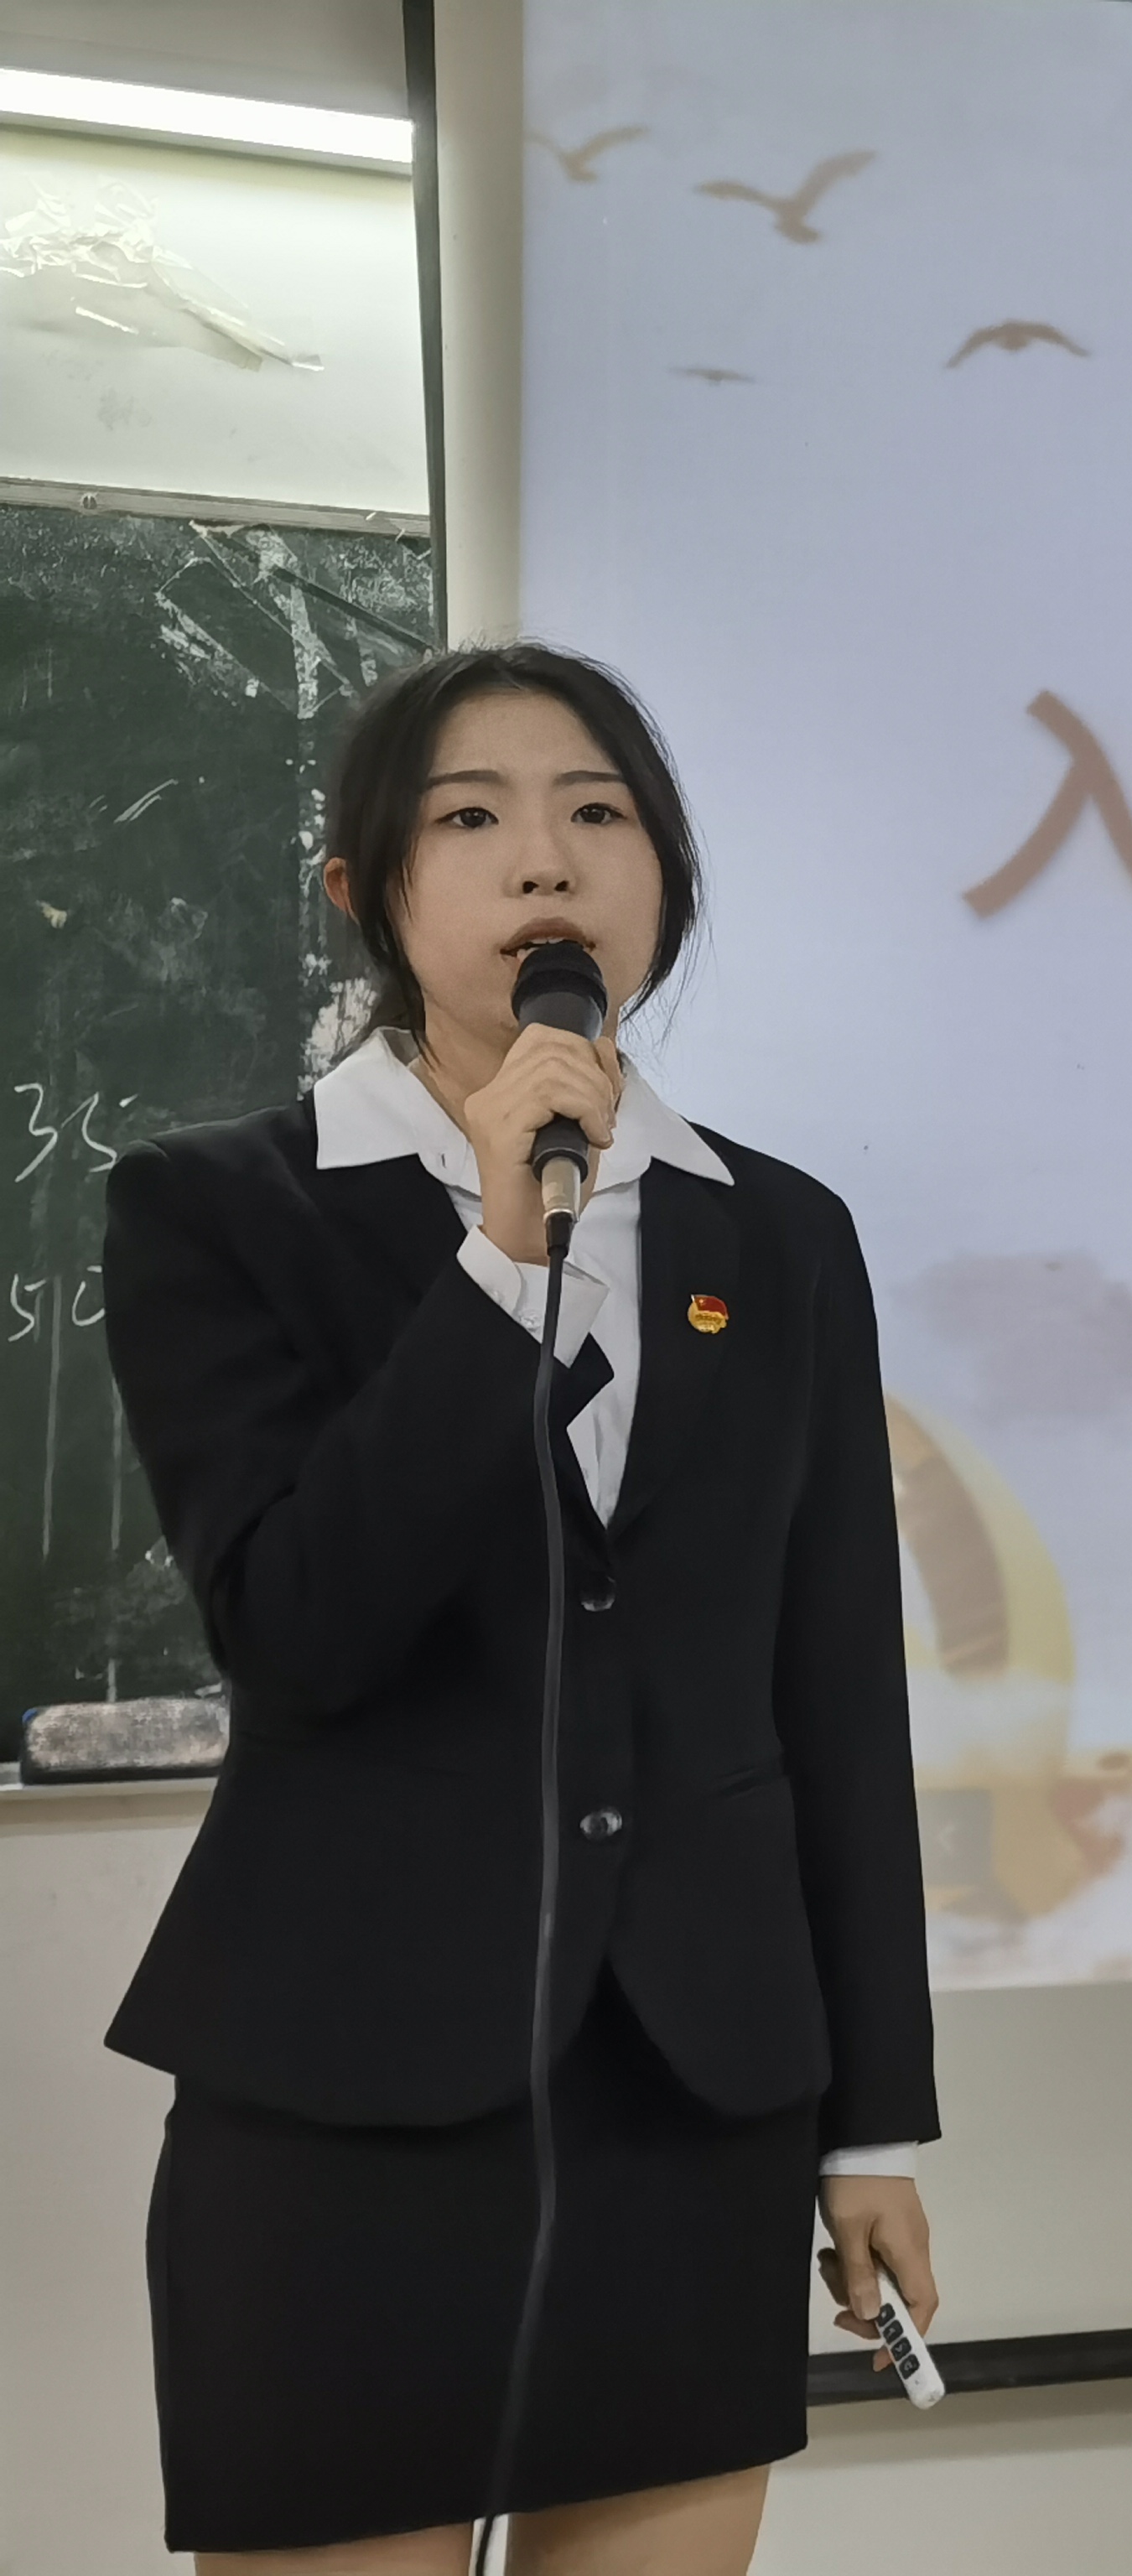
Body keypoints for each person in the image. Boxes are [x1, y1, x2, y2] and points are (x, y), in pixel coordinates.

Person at [99, 644, 941, 2574]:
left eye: (598, 814)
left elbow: (830, 1691)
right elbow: (298, 1627)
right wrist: (497, 1256)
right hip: (347, 2095)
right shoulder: (221, 1211)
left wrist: (870, 2128)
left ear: (665, 880)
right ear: (367, 889)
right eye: (471, 816)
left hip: (691, 2093)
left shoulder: (779, 1234)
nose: (546, 860)